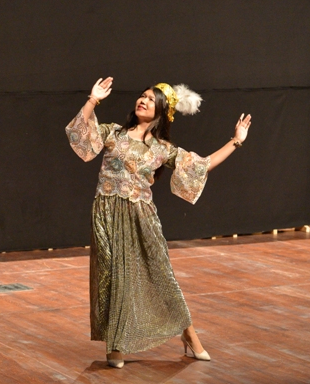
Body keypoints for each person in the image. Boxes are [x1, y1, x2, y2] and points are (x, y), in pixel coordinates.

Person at [66, 77, 252, 368]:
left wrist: (236, 141)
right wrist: (93, 100)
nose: (143, 100)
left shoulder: (162, 149)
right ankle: (116, 344)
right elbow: (81, 136)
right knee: (112, 276)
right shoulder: (113, 133)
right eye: (142, 96)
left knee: (162, 276)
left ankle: (189, 334)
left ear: (162, 111)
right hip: (107, 213)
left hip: (142, 217)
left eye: (151, 99)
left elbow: (201, 166)